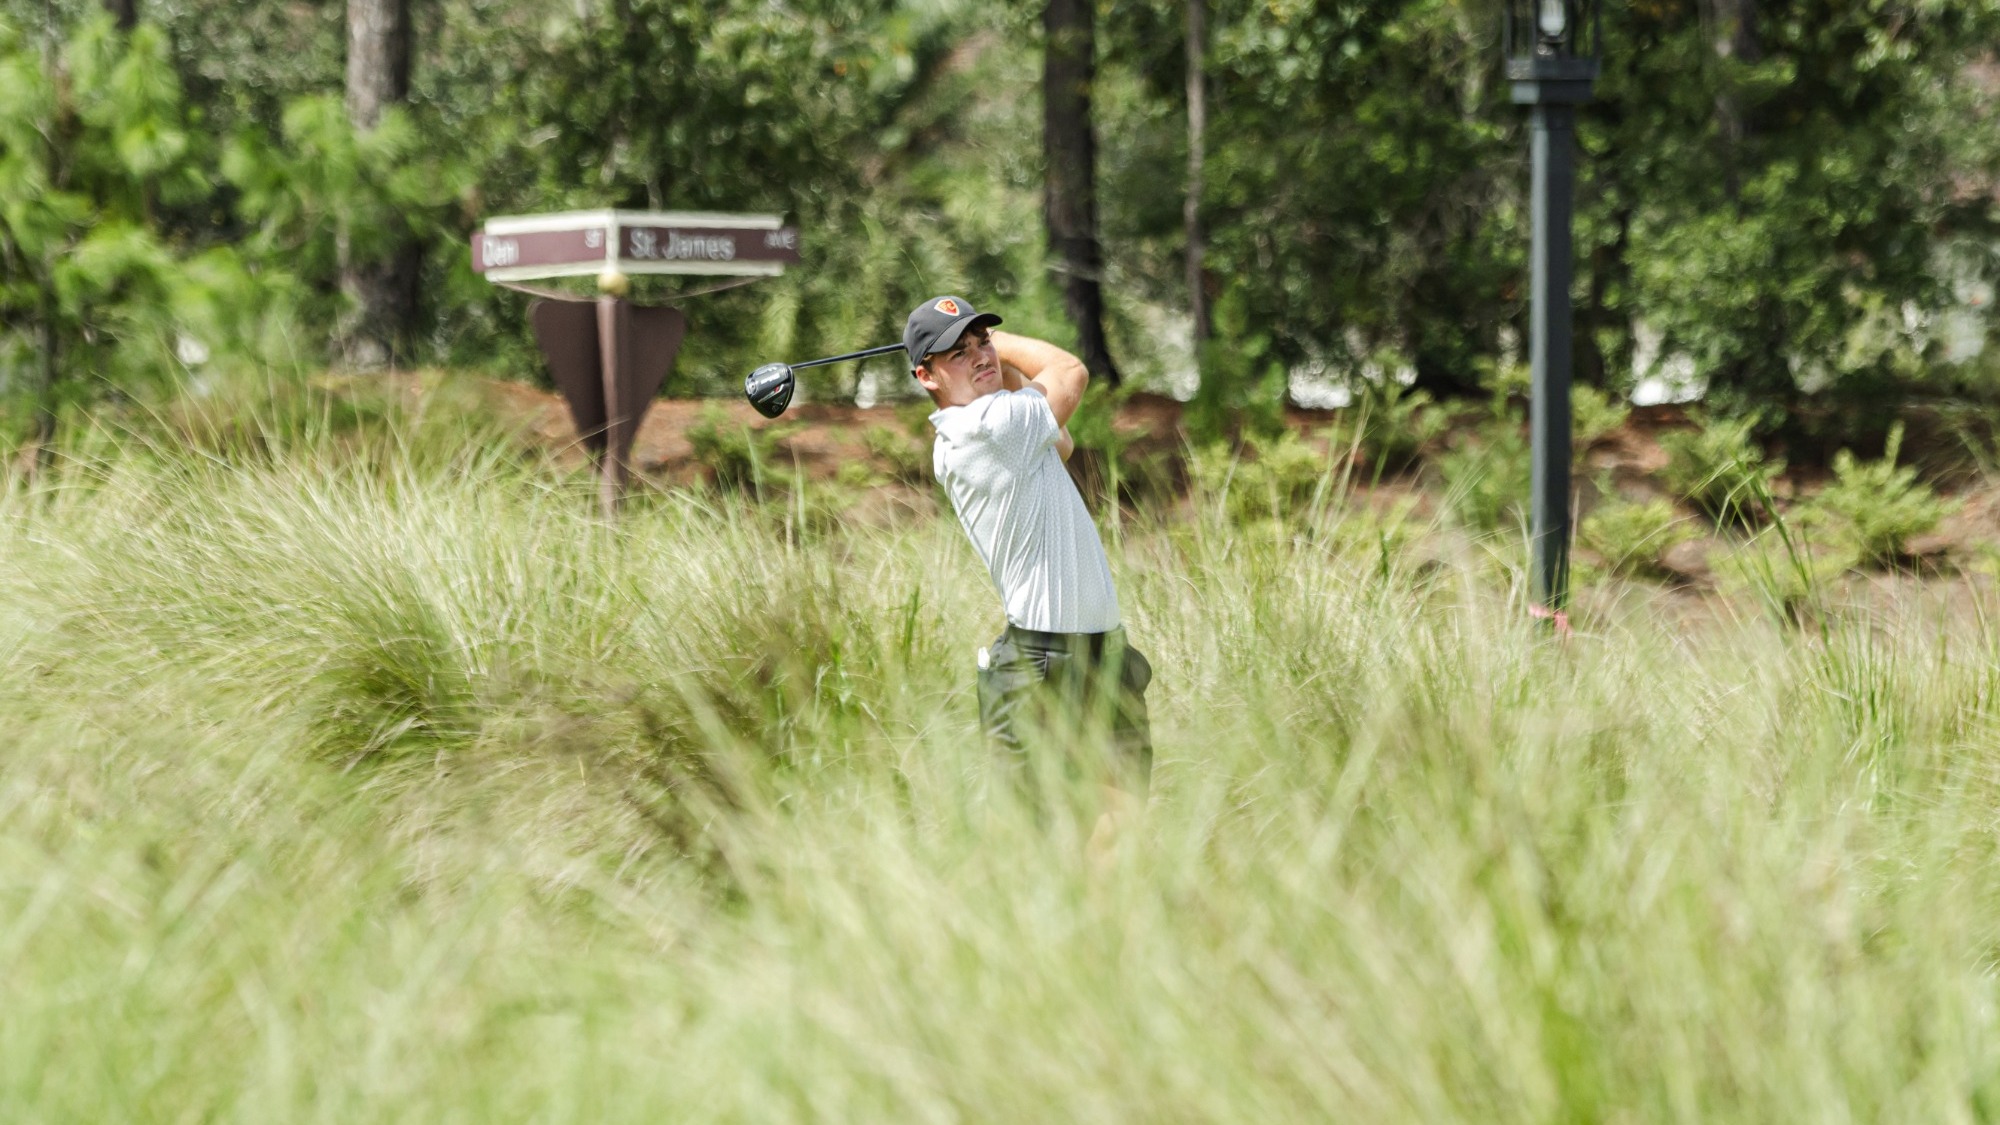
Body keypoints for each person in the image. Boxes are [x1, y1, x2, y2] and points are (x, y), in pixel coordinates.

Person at [904, 294, 1153, 806]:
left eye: (981, 342)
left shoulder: (1007, 425)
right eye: (959, 353)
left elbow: (1063, 444)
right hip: (1044, 663)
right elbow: (1070, 372)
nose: (981, 356)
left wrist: (987, 361)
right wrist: (1001, 341)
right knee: (1040, 834)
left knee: (1121, 816)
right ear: (926, 376)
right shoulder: (985, 427)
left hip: (1099, 654)